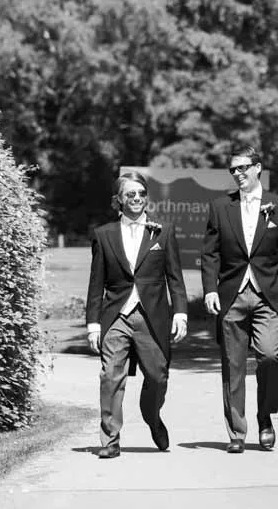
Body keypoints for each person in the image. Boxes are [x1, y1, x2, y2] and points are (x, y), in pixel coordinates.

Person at [86, 172, 188, 459]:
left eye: (142, 194)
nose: (137, 199)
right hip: (116, 314)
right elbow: (96, 283)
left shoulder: (162, 232)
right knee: (110, 376)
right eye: (130, 194)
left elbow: (175, 278)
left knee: (157, 377)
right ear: (118, 200)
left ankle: (152, 417)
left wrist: (180, 313)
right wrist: (94, 324)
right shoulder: (104, 235)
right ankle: (109, 439)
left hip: (152, 316)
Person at [201, 146, 278, 454]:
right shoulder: (220, 206)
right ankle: (237, 432)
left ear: (258, 168)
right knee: (233, 366)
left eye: (243, 168)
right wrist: (210, 289)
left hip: (268, 295)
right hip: (231, 295)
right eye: (233, 170)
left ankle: (265, 417)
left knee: (269, 356)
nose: (238, 174)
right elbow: (210, 253)